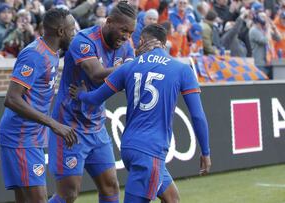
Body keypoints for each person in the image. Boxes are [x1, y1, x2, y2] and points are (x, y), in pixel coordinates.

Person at [69, 24, 211, 203]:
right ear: (164, 43)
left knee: (172, 199)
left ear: (143, 41)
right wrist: (205, 151)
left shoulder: (128, 67)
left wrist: (81, 94)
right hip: (151, 152)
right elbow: (197, 115)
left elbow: (95, 98)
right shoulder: (182, 70)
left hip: (129, 147)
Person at [47, 2, 161, 203]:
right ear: (108, 22)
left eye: (131, 32)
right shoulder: (83, 41)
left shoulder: (126, 47)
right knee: (69, 193)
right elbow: (96, 74)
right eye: (123, 30)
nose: (126, 36)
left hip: (96, 126)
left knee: (110, 186)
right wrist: (134, 66)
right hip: (70, 126)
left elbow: (127, 80)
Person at [0, 8, 77, 203]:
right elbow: (12, 99)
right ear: (60, 32)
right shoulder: (34, 55)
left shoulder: (53, 53)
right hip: (20, 138)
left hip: (31, 136)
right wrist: (53, 124)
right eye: (72, 30)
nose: (74, 34)